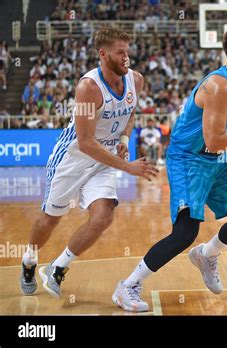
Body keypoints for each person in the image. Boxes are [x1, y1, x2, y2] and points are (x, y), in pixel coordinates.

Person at [113, 27, 227, 312]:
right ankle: (128, 285)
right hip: (188, 159)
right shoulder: (219, 85)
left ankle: (207, 255)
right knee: (184, 232)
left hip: (216, 160)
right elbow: (214, 138)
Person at [19, 26, 158, 298]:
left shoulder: (136, 80)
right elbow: (85, 142)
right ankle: (29, 260)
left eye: (127, 52)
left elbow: (130, 114)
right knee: (50, 220)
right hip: (72, 159)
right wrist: (129, 167)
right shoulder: (88, 87)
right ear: (103, 55)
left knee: (104, 215)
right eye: (120, 53)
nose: (126, 59)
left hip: (104, 160)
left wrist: (125, 137)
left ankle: (58, 267)